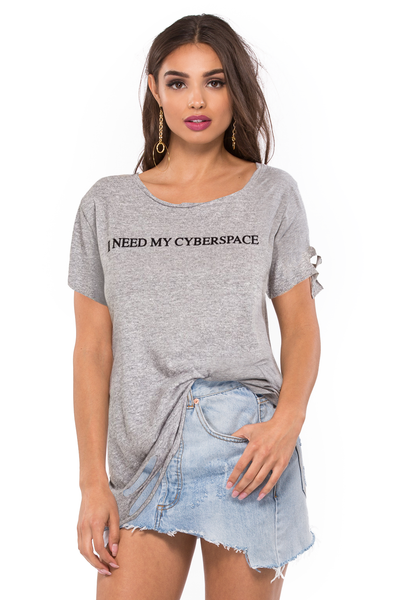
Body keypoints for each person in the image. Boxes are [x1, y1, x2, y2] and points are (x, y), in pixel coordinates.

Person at [67, 13, 323, 600]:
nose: (197, 100)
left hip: (247, 450)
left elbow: (301, 329)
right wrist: (91, 483)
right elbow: (92, 351)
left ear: (236, 88)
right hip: (139, 456)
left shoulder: (272, 193)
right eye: (178, 82)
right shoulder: (106, 205)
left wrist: (287, 424)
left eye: (215, 81)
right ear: (155, 90)